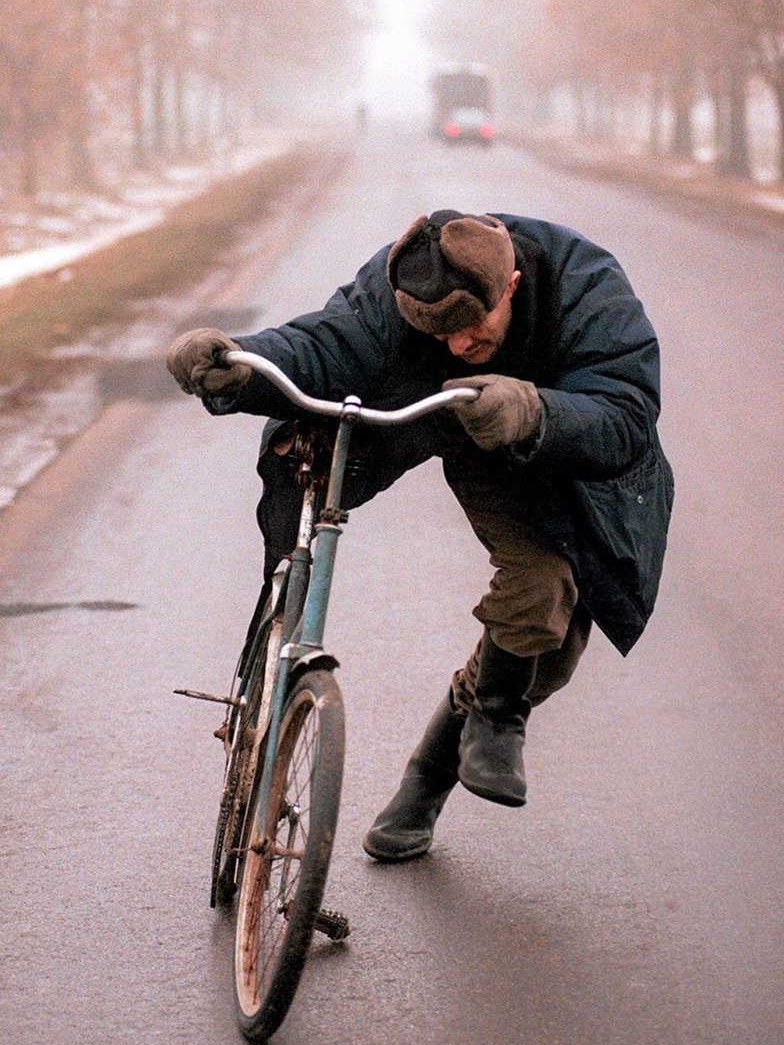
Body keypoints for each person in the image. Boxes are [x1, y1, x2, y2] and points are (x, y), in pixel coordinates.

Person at [167, 210, 674, 862]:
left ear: (512, 284)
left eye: (473, 326)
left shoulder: (586, 283)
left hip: (564, 447)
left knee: (545, 653)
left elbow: (626, 409)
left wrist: (534, 409)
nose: (458, 344)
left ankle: (430, 779)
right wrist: (241, 363)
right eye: (440, 332)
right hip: (459, 426)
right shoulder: (396, 285)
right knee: (538, 582)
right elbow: (329, 343)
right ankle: (481, 728)